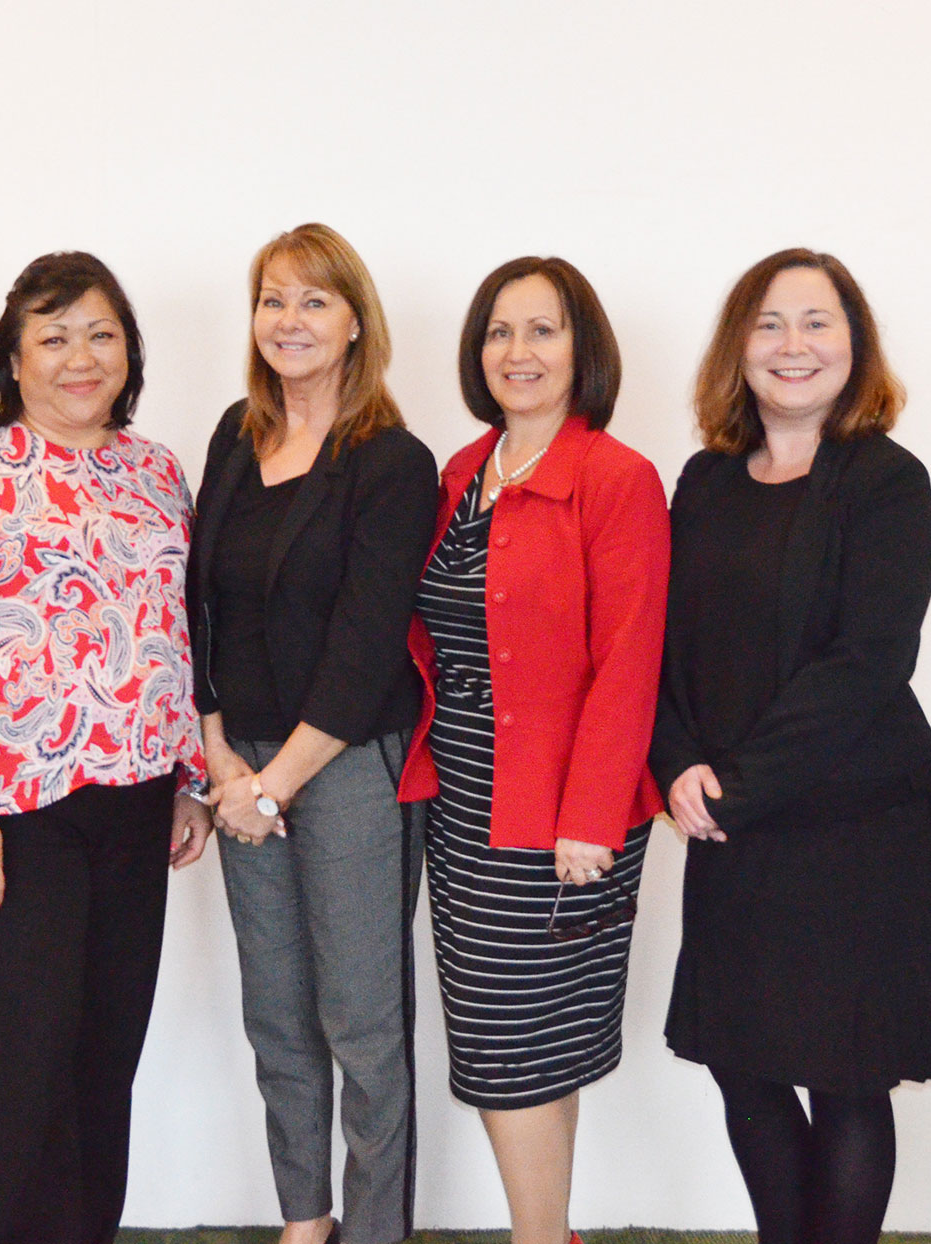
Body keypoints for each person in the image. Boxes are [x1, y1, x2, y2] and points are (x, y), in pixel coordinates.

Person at [0, 250, 211, 1244]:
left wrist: (188, 778)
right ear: (14, 360)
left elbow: (173, 630)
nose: (79, 356)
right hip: (16, 818)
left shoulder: (156, 470)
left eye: (99, 333)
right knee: (23, 1071)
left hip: (137, 807)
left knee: (102, 1063)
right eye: (52, 336)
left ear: (128, 351)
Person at [649, 248, 931, 1244]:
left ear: (854, 343)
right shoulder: (701, 481)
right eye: (768, 323)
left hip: (856, 827)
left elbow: (866, 660)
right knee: (740, 1061)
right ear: (736, 348)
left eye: (816, 321)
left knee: (843, 1076)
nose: (792, 345)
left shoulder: (884, 480)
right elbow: (657, 644)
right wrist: (674, 762)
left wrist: (733, 783)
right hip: (730, 824)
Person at [395, 257, 667, 1244]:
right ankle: (547, 1230)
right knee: (512, 1037)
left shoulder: (615, 477)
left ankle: (536, 1237)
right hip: (463, 799)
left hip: (559, 812)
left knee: (515, 1038)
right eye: (499, 332)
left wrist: (590, 816)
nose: (518, 352)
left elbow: (628, 659)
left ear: (580, 349)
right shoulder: (461, 474)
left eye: (542, 330)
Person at [185, 223, 437, 1244]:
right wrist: (215, 759)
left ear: (354, 324)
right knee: (276, 1014)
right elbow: (193, 606)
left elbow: (366, 645)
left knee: (362, 1026)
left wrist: (272, 784)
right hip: (237, 764)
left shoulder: (389, 459)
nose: (289, 321)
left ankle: (375, 1228)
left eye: (313, 301)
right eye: (272, 299)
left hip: (337, 772)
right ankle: (305, 1215)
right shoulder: (233, 438)